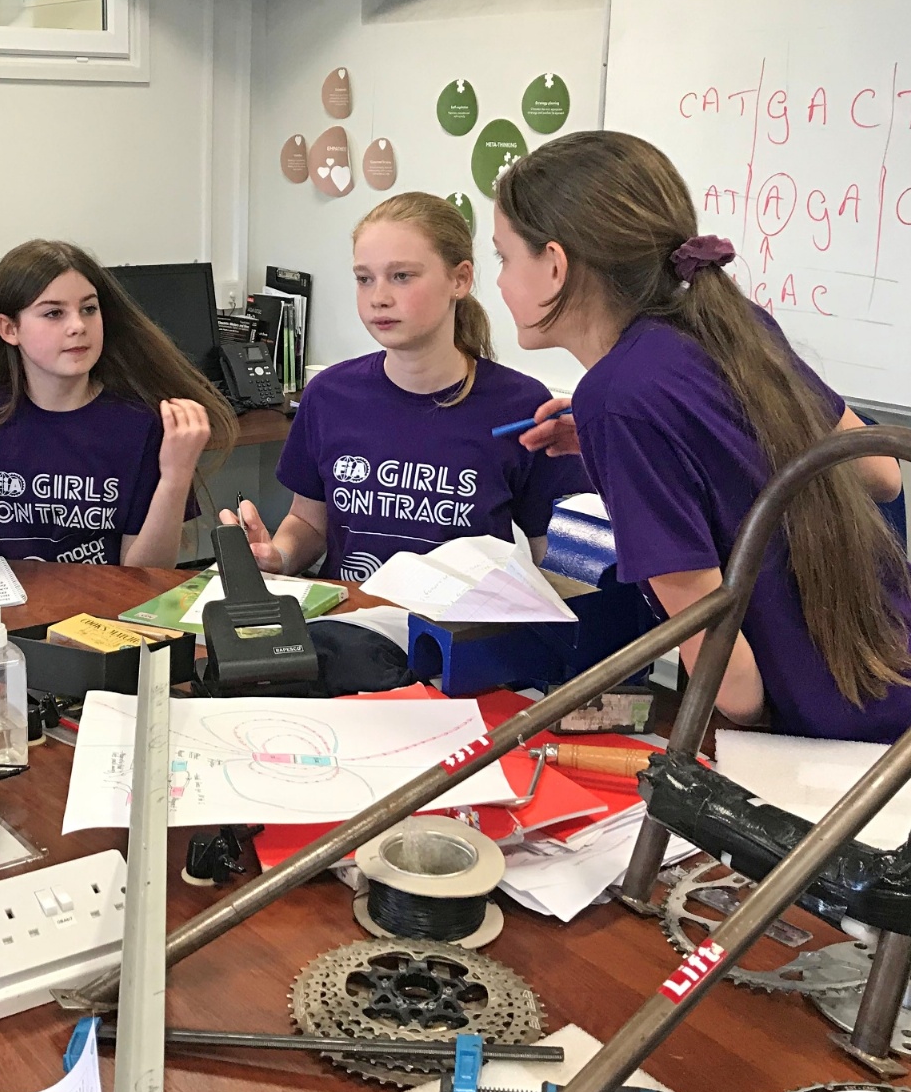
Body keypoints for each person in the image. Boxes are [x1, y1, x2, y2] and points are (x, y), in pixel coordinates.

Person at [494, 129, 909, 741]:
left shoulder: (615, 401)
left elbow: (733, 687)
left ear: (554, 266)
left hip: (842, 741)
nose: (501, 282)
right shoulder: (730, 323)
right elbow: (881, 475)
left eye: (504, 258)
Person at [222, 191, 590, 584]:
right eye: (364, 279)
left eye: (401, 276)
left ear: (460, 279)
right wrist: (277, 557)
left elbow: (554, 555)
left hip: (459, 621)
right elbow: (309, 523)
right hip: (352, 614)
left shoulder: (522, 406)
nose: (378, 298)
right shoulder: (328, 395)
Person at [0, 239, 237, 568]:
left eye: (89, 309)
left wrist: (175, 477)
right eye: (54, 313)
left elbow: (147, 573)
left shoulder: (142, 421)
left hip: (108, 610)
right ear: (9, 329)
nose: (78, 326)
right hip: (12, 607)